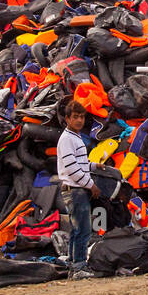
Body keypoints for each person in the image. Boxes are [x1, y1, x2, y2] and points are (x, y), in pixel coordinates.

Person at [56, 100, 100, 270]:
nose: (79, 120)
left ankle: (73, 262)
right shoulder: (67, 139)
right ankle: (80, 266)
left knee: (76, 229)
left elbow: (79, 164)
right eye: (75, 117)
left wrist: (94, 166)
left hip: (75, 189)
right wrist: (91, 185)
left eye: (82, 117)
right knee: (84, 229)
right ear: (67, 119)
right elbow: (73, 169)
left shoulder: (75, 137)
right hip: (75, 190)